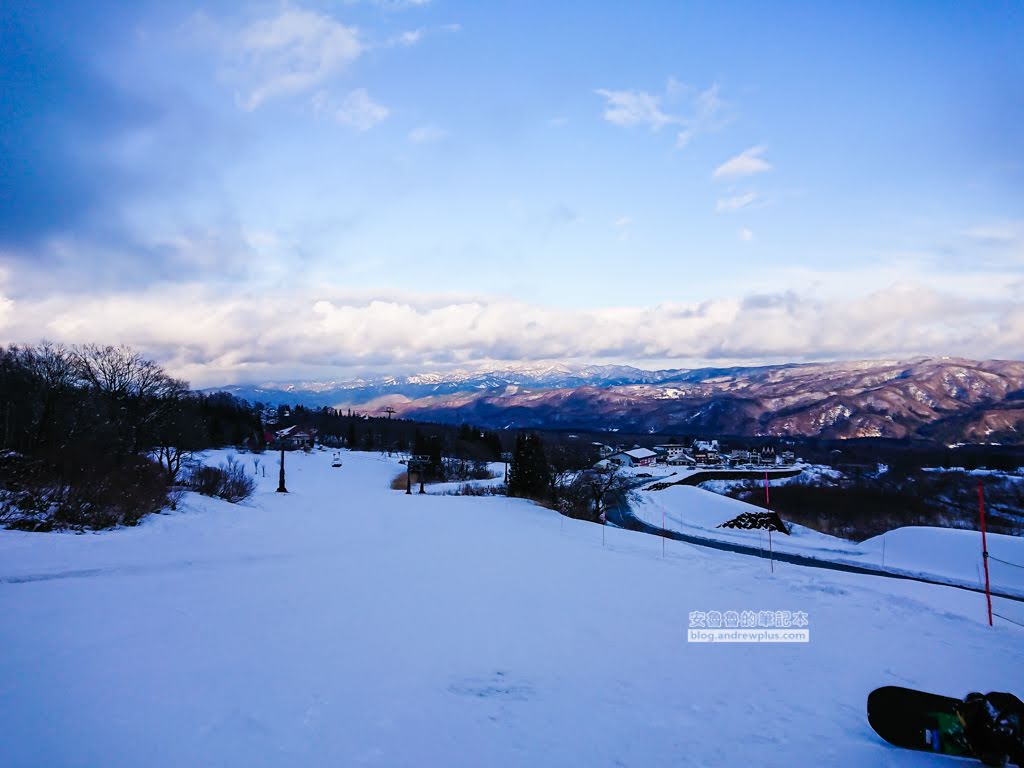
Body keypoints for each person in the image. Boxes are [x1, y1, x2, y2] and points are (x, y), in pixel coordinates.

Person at [957, 692, 1024, 767]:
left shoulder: (989, 703)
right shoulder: (975, 726)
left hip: (1012, 717)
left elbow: (1006, 728)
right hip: (1007, 724)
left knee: (1004, 733)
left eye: (970, 709)